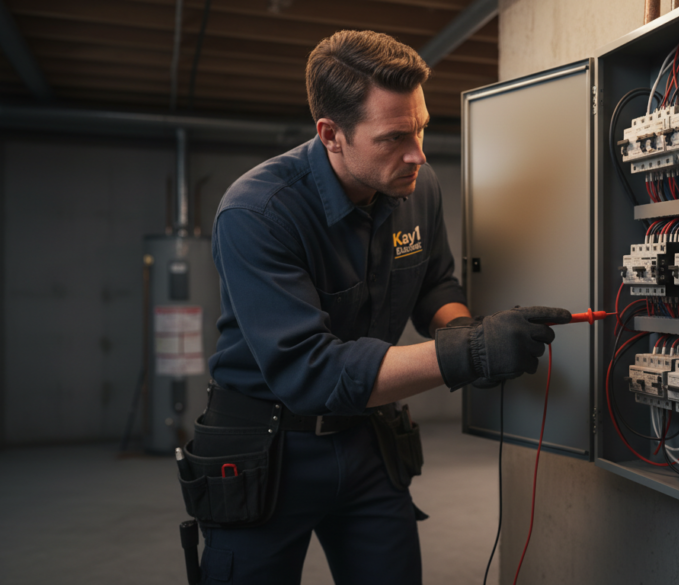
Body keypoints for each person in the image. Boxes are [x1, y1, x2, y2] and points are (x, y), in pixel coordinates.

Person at [193, 30, 570, 584]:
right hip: (263, 450)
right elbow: (309, 370)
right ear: (331, 135)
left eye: (419, 127)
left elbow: (435, 284)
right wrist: (467, 353)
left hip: (367, 439)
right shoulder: (257, 212)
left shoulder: (418, 187)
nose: (417, 152)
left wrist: (464, 330)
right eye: (394, 137)